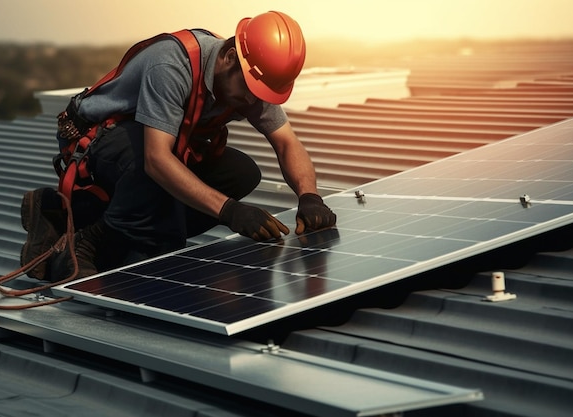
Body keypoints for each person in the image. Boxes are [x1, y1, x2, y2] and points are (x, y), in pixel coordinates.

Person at [20, 11, 337, 282]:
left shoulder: (250, 79)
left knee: (242, 173)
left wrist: (309, 196)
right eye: (251, 89)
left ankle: (123, 234)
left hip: (157, 146)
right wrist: (229, 210)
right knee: (151, 166)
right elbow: (157, 159)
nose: (253, 101)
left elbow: (286, 143)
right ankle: (79, 236)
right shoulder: (172, 66)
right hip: (96, 141)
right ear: (229, 58)